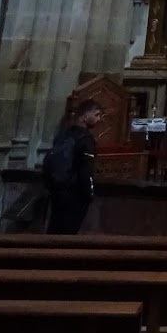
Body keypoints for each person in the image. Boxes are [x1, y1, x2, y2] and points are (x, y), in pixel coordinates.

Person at [43, 98, 103, 233]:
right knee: (68, 233)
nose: (99, 119)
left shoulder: (63, 135)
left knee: (54, 230)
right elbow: (86, 170)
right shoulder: (86, 139)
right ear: (85, 116)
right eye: (96, 114)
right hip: (74, 194)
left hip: (57, 191)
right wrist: (89, 194)